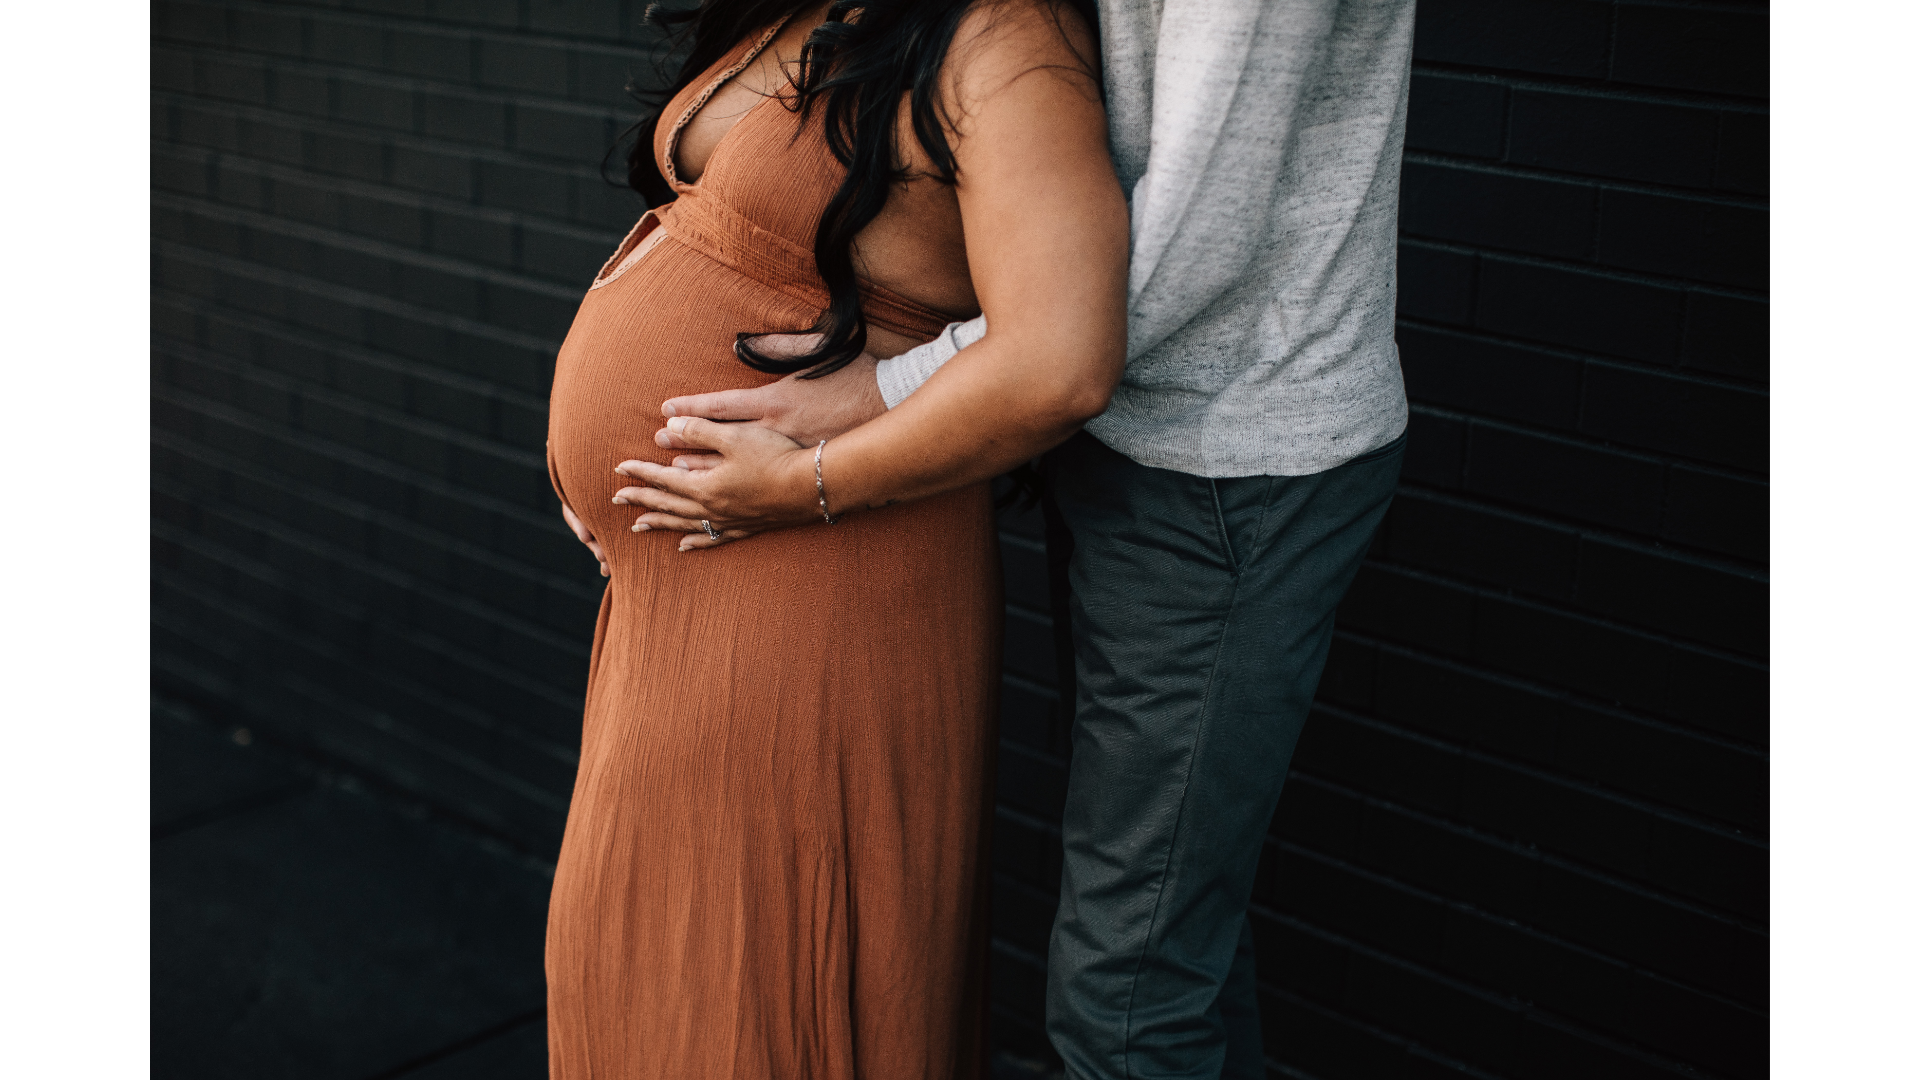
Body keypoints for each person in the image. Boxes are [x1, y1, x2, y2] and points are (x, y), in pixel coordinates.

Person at [614, 1, 1418, 1077]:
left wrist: (885, 395)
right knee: (1173, 940)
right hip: (1135, 430)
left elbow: (1189, 245)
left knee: (1122, 1002)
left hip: (1230, 451)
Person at [542, 1, 1125, 1077]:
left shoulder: (1006, 39)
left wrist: (801, 485)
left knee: (754, 981)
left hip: (821, 572)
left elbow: (1063, 358)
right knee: (642, 961)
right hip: (684, 582)